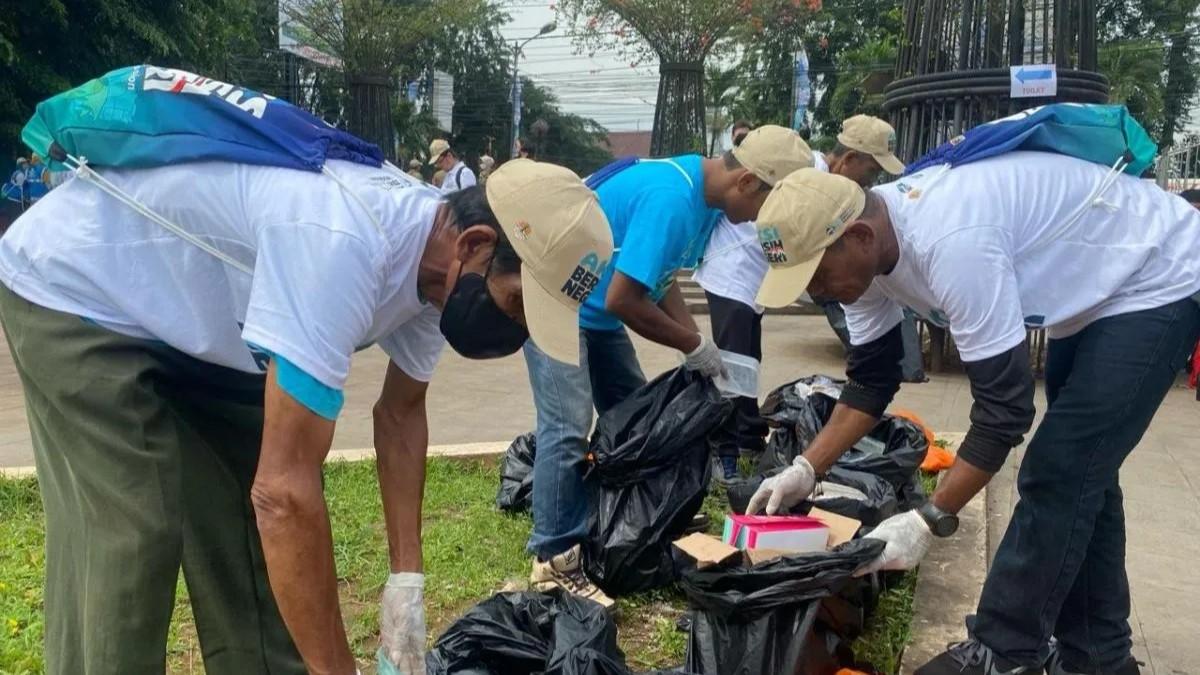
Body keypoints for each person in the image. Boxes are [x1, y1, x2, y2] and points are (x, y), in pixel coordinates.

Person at [0, 157, 613, 675]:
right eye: (514, 305)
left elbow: (401, 415)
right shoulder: (344, 242)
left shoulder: (440, 267)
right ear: (476, 246)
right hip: (79, 287)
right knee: (136, 532)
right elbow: (285, 494)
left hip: (198, 321)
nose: (512, 331)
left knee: (246, 535)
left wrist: (408, 580)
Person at [746, 156, 1200, 675]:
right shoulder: (864, 262)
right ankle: (1100, 659)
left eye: (818, 274)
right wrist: (806, 468)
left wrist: (926, 519)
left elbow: (1004, 411)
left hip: (1157, 273)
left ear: (860, 236)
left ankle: (1004, 651)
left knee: (1059, 468)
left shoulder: (952, 241)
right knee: (1084, 471)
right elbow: (870, 383)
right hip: (1090, 297)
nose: (817, 292)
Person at [524, 125, 814, 608]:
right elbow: (624, 300)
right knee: (568, 425)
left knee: (636, 414)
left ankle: (632, 522)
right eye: (768, 208)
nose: (760, 221)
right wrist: (694, 344)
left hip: (591, 304)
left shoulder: (700, 195)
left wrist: (695, 343)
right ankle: (555, 557)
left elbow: (658, 279)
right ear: (747, 183)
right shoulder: (673, 200)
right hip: (557, 300)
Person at [693, 123, 815, 483]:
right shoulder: (760, 180)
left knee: (748, 362)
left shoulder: (792, 175)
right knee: (730, 368)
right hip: (730, 277)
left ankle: (746, 437)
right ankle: (723, 454)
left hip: (752, 282)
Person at [810, 115, 926, 383]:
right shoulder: (813, 183)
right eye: (871, 172)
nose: (871, 184)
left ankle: (901, 369)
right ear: (849, 159)